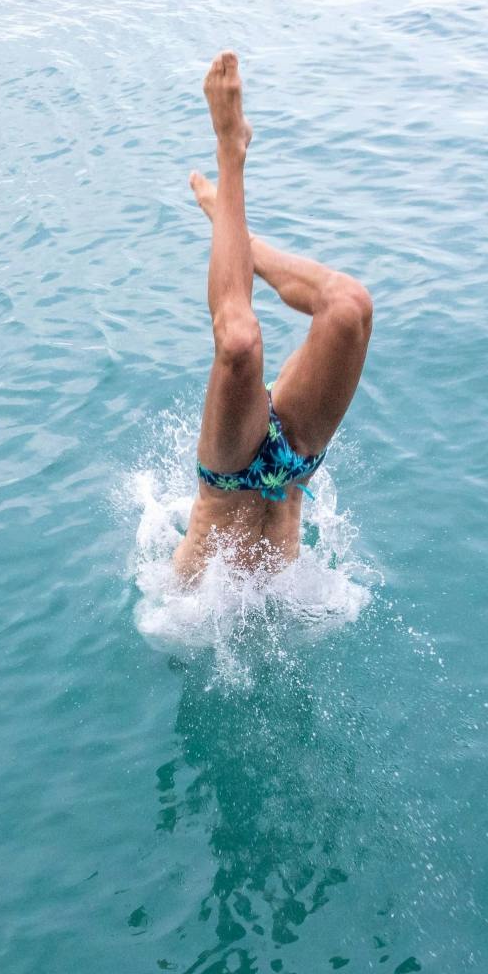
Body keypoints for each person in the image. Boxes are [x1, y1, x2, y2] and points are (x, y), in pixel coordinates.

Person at [173, 51, 374, 581]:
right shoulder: (182, 621)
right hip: (232, 503)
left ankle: (235, 232)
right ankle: (231, 149)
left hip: (281, 475)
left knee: (349, 306)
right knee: (238, 340)